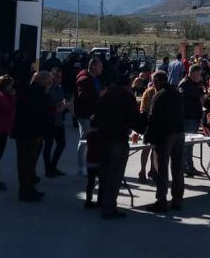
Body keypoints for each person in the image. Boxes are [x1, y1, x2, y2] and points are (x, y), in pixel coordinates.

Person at [94, 81, 140, 218]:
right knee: (115, 174)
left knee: (103, 171)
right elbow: (134, 118)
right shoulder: (128, 97)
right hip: (118, 138)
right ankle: (109, 208)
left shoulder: (105, 96)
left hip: (102, 137)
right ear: (128, 86)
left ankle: (102, 201)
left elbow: (95, 116)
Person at [145, 71, 186, 212]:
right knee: (178, 167)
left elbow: (152, 118)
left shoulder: (159, 95)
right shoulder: (176, 93)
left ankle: (161, 201)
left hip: (165, 134)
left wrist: (147, 136)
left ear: (157, 81)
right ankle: (177, 200)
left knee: (162, 168)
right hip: (179, 132)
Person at [12, 71, 53, 202]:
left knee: (29, 163)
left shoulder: (34, 92)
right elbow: (38, 112)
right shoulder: (35, 93)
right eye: (48, 81)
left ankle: (29, 188)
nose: (50, 83)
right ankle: (25, 191)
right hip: (29, 133)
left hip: (31, 132)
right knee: (26, 163)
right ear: (40, 80)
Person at [73, 57, 103, 178]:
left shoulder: (93, 78)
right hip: (85, 114)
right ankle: (82, 168)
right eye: (100, 66)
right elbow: (83, 96)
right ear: (93, 67)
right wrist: (98, 95)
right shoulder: (84, 80)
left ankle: (89, 165)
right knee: (84, 140)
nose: (102, 68)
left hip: (92, 114)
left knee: (91, 141)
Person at [178, 64, 205, 176]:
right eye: (199, 74)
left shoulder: (194, 84)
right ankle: (186, 167)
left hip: (193, 116)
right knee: (187, 144)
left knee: (190, 144)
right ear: (193, 73)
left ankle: (188, 166)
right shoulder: (185, 84)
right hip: (188, 117)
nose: (200, 76)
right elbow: (185, 100)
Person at [42, 67, 69, 177]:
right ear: (52, 76)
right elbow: (46, 105)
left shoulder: (60, 88)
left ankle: (53, 167)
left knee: (61, 144)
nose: (59, 79)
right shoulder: (47, 89)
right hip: (50, 121)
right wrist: (56, 107)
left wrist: (65, 105)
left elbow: (63, 100)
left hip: (59, 121)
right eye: (57, 76)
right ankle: (48, 169)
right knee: (48, 145)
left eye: (60, 77)